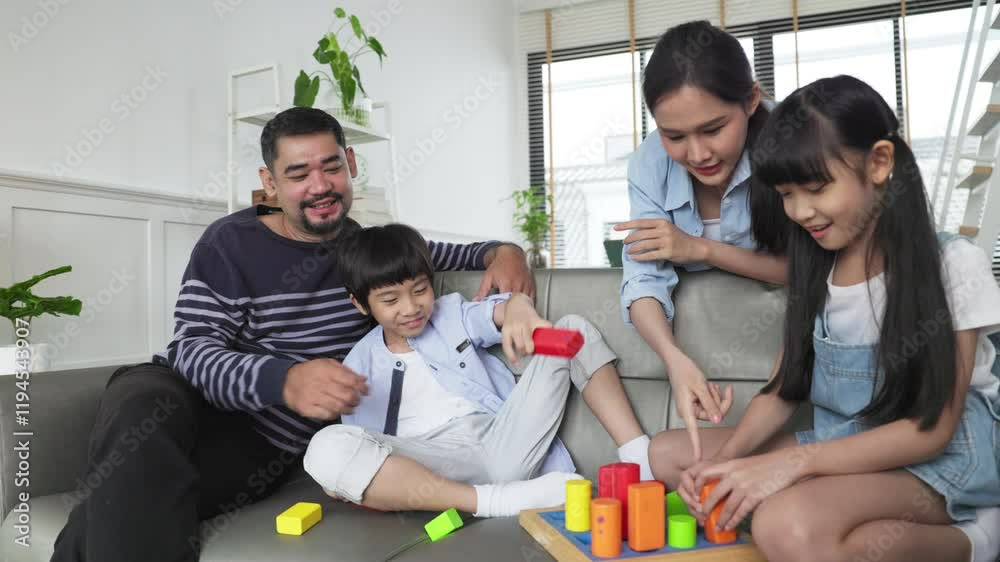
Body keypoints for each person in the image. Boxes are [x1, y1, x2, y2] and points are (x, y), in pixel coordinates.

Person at [50, 107, 537, 562]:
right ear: (270, 183)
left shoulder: (365, 251)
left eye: (331, 167)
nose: (320, 186)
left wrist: (504, 251)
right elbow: (191, 350)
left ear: (350, 164)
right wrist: (283, 380)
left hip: (261, 444)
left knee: (120, 500)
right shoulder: (229, 243)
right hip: (183, 401)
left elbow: (457, 255)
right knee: (137, 398)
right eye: (298, 174)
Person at [650, 75, 1000, 562]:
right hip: (848, 440)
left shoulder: (953, 264)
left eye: (815, 189)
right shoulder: (819, 263)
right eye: (787, 194)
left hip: (941, 458)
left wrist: (793, 465)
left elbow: (933, 430)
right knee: (668, 454)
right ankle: (832, 534)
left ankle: (977, 538)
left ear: (879, 162)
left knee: (784, 523)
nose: (800, 211)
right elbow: (781, 389)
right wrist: (724, 465)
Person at [302, 223, 655, 517]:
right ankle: (496, 502)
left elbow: (497, 313)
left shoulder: (450, 314)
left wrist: (519, 305)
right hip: (434, 469)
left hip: (503, 443)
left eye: (420, 290)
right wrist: (343, 479)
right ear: (359, 303)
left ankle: (642, 461)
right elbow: (364, 451)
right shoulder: (357, 364)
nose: (411, 308)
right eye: (391, 300)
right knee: (325, 447)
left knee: (572, 330)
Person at [615, 20, 789, 461]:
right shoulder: (649, 165)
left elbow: (814, 266)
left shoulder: (791, 143)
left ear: (750, 100)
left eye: (713, 129)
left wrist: (701, 249)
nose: (697, 154)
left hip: (789, 346)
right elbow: (643, 280)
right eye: (674, 136)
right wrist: (674, 359)